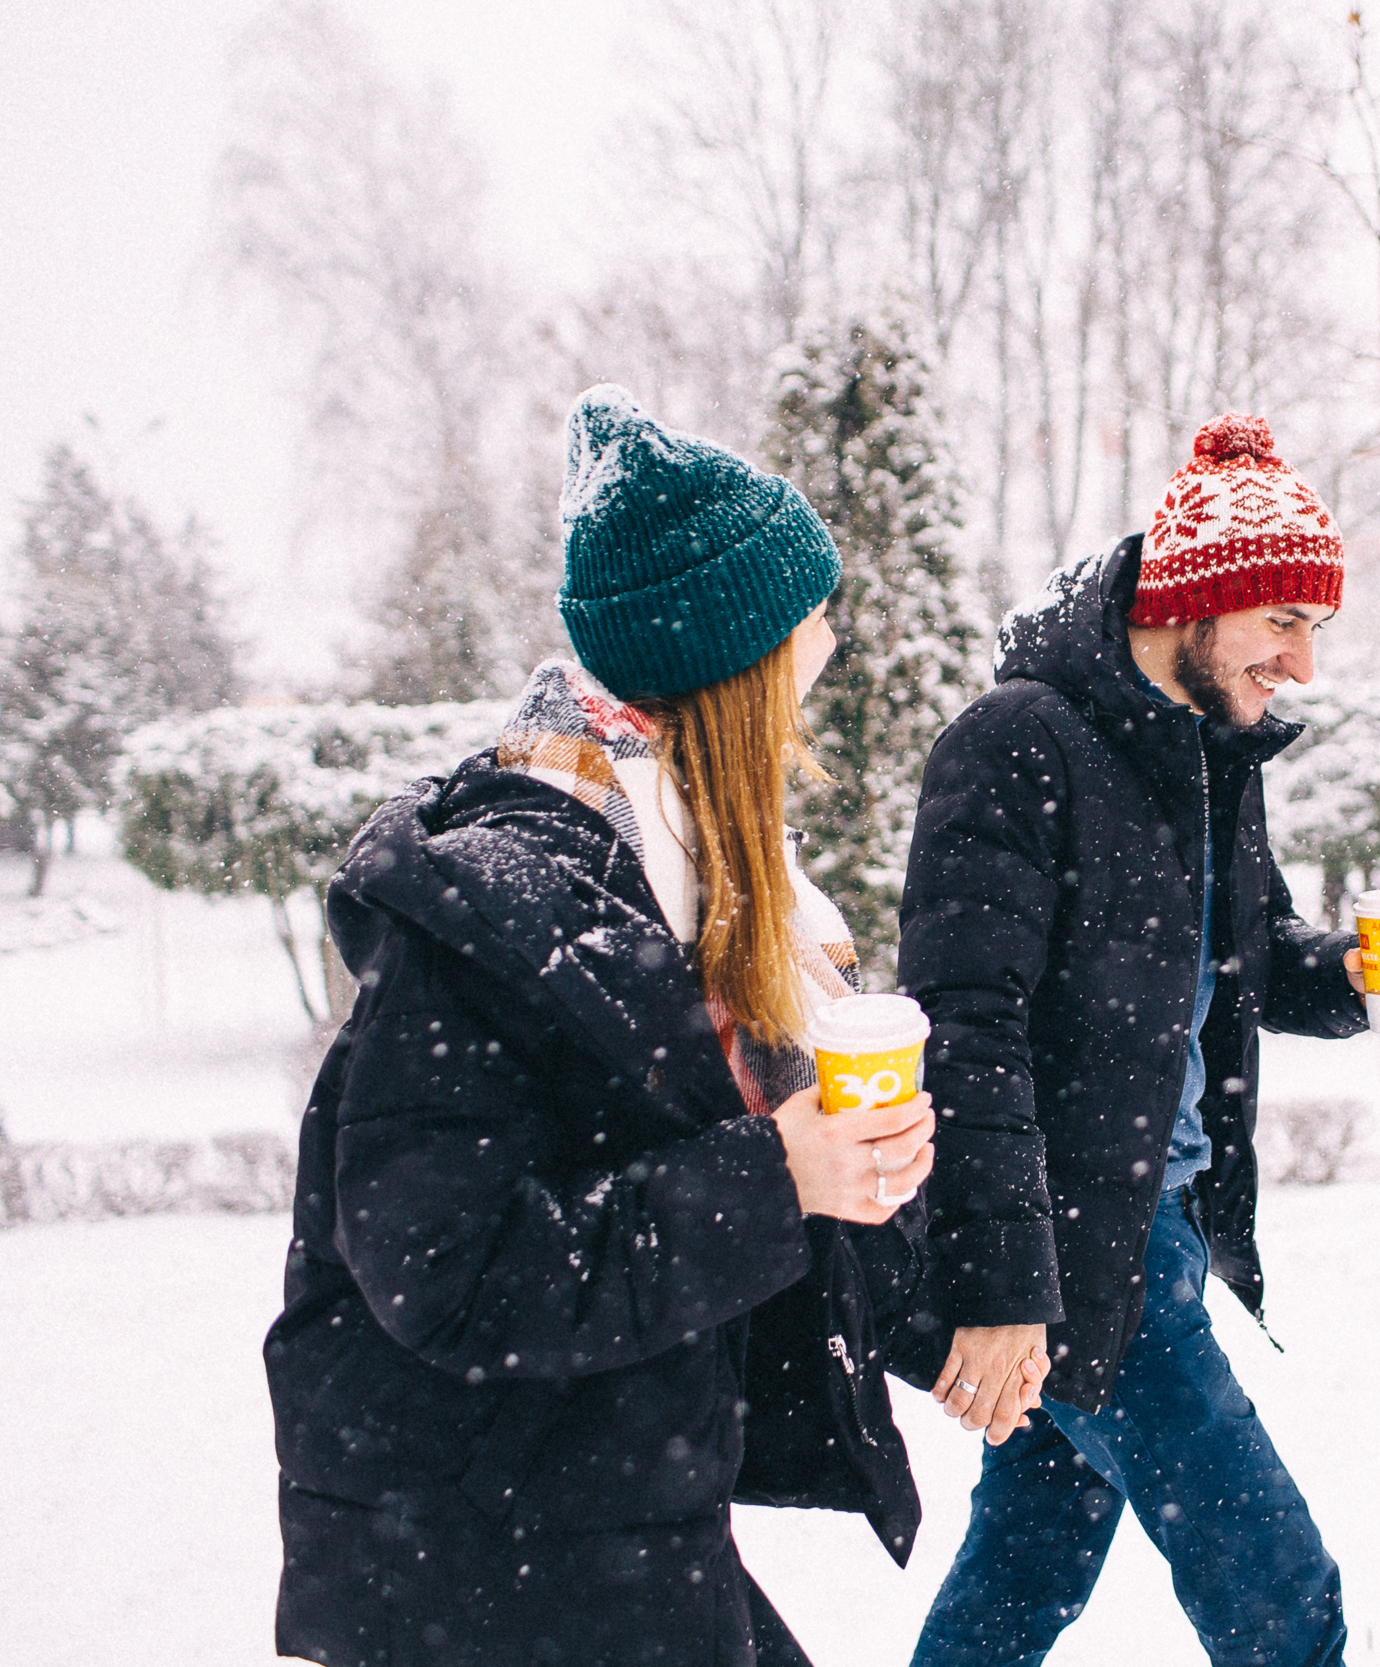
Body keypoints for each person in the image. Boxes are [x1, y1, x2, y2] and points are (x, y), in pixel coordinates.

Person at [266, 385, 941, 1667]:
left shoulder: (675, 875)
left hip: (595, 1509)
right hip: (481, 1555)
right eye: (809, 624)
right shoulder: (506, 904)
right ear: (732, 669)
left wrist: (947, 1284)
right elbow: (448, 1271)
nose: (831, 646)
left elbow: (676, 1173)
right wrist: (775, 1175)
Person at [897, 414, 1380, 1666]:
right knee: (1277, 1585)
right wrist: (1007, 1284)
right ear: (1192, 602)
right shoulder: (1016, 742)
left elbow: (1245, 957)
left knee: (1026, 1562)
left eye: (1315, 628)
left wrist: (1351, 973)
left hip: (1163, 1216)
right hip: (1080, 1234)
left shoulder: (1205, 754)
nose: (1301, 663)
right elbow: (962, 1027)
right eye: (1283, 622)